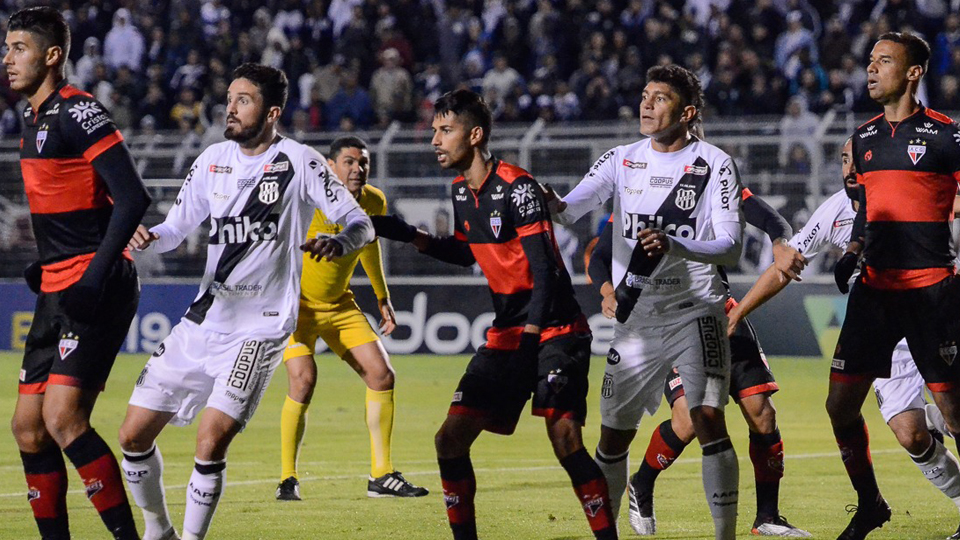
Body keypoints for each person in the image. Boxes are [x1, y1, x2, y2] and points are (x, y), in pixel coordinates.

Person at [117, 63, 373, 540]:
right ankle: (159, 531)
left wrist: (340, 242)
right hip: (202, 322)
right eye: (230, 98)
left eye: (244, 100)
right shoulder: (213, 158)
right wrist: (152, 236)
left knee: (210, 438)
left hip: (260, 327)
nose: (230, 108)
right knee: (131, 435)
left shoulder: (299, 161)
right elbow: (177, 229)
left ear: (272, 111)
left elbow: (361, 222)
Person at [373, 89, 617, 540]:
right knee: (449, 440)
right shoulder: (461, 191)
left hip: (555, 328)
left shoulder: (518, 187)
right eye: (434, 131)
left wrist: (529, 340)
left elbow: (544, 272)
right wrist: (407, 234)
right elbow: (468, 253)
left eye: (446, 130)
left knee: (565, 439)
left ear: (476, 134)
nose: (435, 140)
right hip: (508, 332)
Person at [730, 137, 960, 540]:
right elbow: (787, 266)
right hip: (883, 331)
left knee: (954, 412)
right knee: (911, 434)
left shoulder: (913, 192)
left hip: (933, 313)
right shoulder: (834, 210)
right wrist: (739, 311)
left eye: (856, 160)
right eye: (842, 160)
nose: (849, 169)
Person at [552, 64, 744, 540]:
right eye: (645, 94)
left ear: (688, 112)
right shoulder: (620, 158)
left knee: (706, 418)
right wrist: (529, 192)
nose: (647, 103)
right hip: (637, 320)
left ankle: (726, 536)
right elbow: (567, 208)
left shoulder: (713, 163)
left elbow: (731, 246)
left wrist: (676, 246)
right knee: (613, 436)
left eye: (660, 98)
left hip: (696, 310)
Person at [588, 186, 810, 537]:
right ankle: (642, 484)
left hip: (722, 313)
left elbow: (771, 218)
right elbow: (599, 256)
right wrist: (607, 292)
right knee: (690, 420)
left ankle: (767, 516)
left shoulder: (716, 183)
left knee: (762, 413)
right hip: (669, 322)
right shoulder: (639, 191)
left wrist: (780, 242)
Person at [5, 7, 151, 540]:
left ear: (52, 56)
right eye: (6, 47)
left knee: (63, 419)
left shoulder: (78, 111)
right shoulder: (30, 118)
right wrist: (47, 262)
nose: (7, 58)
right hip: (57, 283)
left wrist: (93, 275)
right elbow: (77, 198)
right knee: (28, 428)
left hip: (96, 284)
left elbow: (133, 196)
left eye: (19, 47)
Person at [827, 32, 960, 540]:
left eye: (884, 61)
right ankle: (870, 503)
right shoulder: (862, 139)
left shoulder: (947, 135)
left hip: (931, 292)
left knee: (953, 411)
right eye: (869, 61)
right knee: (839, 406)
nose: (871, 69)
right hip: (875, 292)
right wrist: (853, 252)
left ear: (913, 73)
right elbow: (866, 209)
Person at [276, 136, 428, 500]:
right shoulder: (307, 197)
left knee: (382, 374)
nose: (357, 169)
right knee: (303, 380)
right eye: (348, 162)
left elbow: (368, 244)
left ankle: (381, 475)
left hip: (339, 305)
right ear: (330, 167)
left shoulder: (373, 200)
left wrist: (382, 296)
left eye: (363, 163)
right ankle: (287, 478)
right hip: (297, 308)